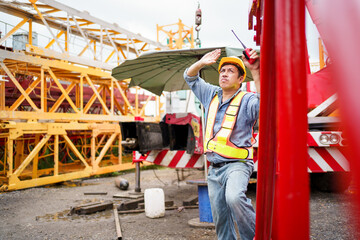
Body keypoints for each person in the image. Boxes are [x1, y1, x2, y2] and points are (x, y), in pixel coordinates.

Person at [183, 48, 260, 240]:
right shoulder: (211, 95)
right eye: (222, 71)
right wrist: (201, 63)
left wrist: (256, 71)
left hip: (237, 165)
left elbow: (264, 104)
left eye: (230, 71)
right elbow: (189, 76)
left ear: (241, 79)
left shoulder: (247, 100)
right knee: (220, 218)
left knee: (234, 198)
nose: (224, 74)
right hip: (214, 168)